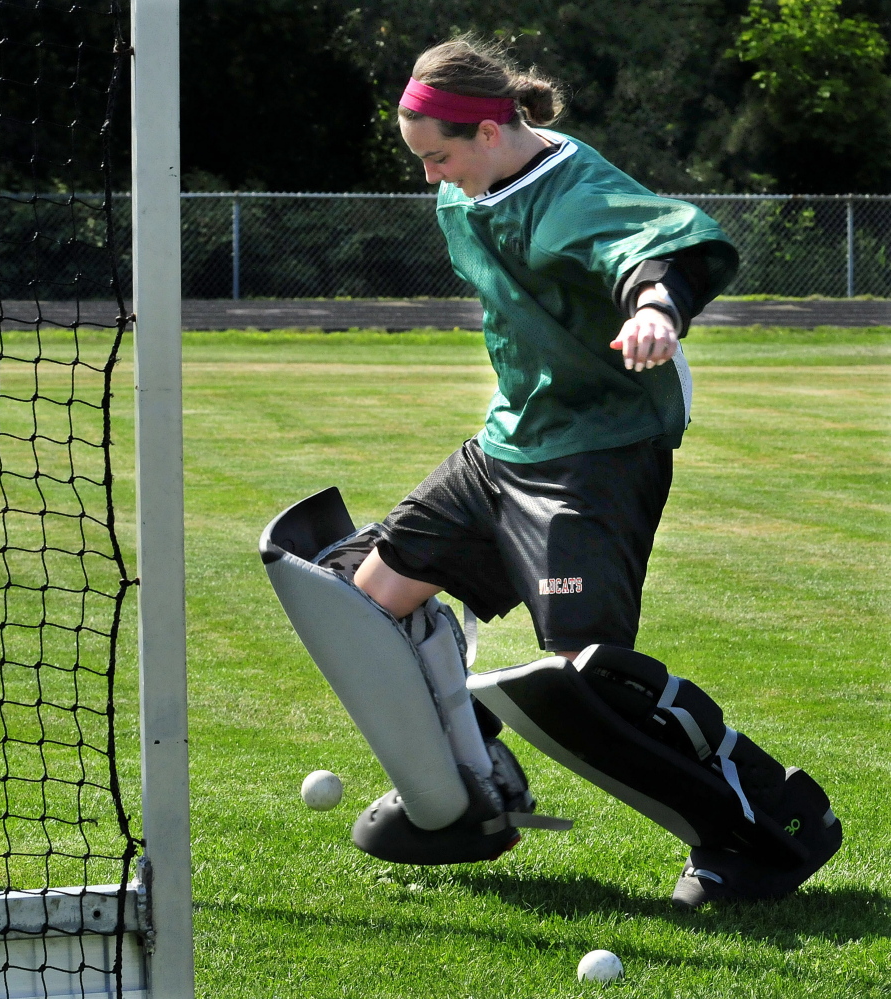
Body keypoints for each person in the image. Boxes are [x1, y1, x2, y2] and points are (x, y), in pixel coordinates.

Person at [265, 36, 841, 906]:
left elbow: (660, 248)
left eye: (439, 157)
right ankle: (469, 788)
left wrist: (654, 308)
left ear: (492, 130)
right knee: (366, 600)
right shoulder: (470, 187)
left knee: (585, 682)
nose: (429, 179)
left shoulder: (577, 193)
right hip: (507, 443)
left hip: (595, 456)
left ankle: (764, 829)